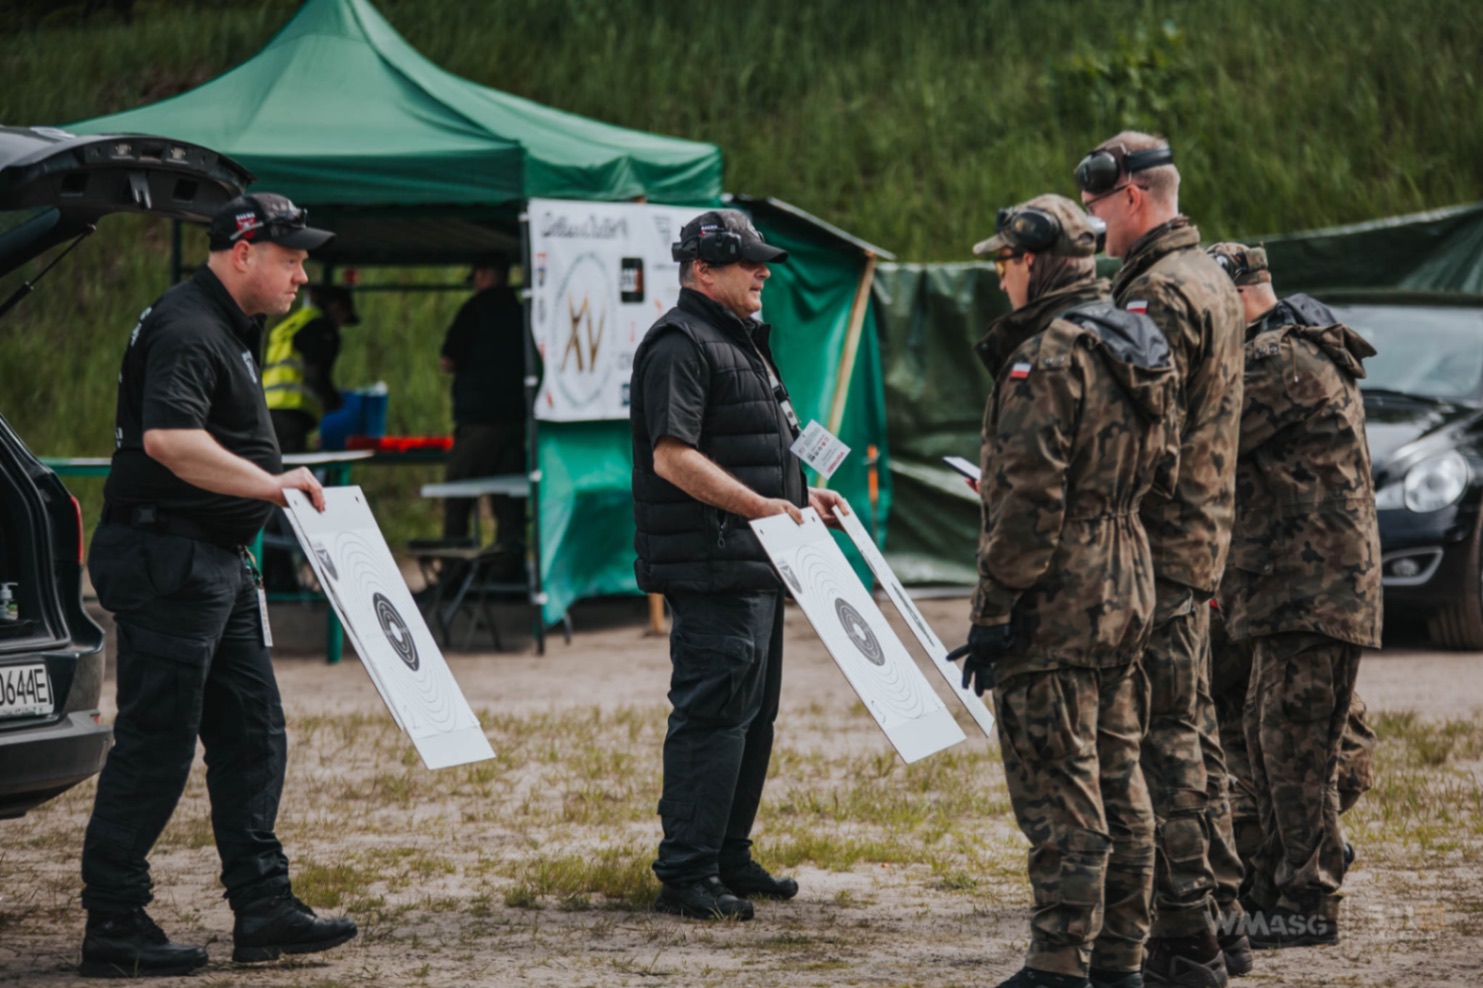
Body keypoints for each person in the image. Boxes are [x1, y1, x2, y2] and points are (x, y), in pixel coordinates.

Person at [79, 194, 357, 978]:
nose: (303, 272)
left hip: (213, 561)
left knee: (252, 734)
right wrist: (269, 486)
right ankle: (115, 920)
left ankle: (263, 908)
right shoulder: (188, 326)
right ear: (244, 253)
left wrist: (262, 482)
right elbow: (169, 439)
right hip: (170, 557)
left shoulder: (222, 325)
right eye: (291, 257)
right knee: (157, 742)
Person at [955, 195, 1175, 988]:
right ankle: (1118, 958)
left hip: (1057, 592)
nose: (1000, 277)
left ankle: (1056, 961)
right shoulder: (1135, 339)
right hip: (1127, 576)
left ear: (1035, 261)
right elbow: (1168, 468)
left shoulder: (1045, 355)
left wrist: (992, 617)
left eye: (1004, 262)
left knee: (1057, 783)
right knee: (1121, 780)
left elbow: (1024, 502)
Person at [629, 209, 847, 921]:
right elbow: (673, 456)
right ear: (701, 271)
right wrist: (760, 507)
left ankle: (727, 854)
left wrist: (799, 495)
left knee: (753, 720)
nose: (764, 271)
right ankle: (686, 874)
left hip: (755, 563)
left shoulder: (737, 339)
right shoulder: (678, 343)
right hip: (715, 565)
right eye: (748, 261)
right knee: (712, 718)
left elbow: (747, 447)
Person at [1076, 132, 1249, 987]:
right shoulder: (1208, 276)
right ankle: (1218, 918)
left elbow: (1150, 439)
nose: (1090, 221)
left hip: (1159, 550)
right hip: (1192, 542)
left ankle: (1188, 942)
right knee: (1190, 737)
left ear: (1133, 197)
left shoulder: (1157, 295)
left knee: (1159, 749)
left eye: (1097, 204)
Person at [1205, 242, 1382, 948]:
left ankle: (1307, 902)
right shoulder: (1286, 348)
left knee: (1295, 755)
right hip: (1287, 590)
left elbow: (1201, 444)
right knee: (1270, 742)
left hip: (1310, 593)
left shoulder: (1277, 360)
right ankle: (1274, 889)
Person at [439, 251, 527, 563]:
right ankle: (509, 570)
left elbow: (448, 360)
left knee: (456, 493)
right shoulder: (521, 310)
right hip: (516, 418)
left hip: (478, 420)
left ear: (484, 274)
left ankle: (452, 574)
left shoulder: (473, 310)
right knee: (509, 502)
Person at [263, 284, 357, 453]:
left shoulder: (295, 322)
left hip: (267, 408)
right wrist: (334, 401)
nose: (340, 324)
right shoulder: (321, 328)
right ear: (336, 307)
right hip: (291, 411)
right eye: (343, 317)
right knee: (288, 471)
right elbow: (313, 372)